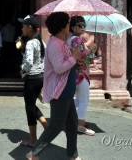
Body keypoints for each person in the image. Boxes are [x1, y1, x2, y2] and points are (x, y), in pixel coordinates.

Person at [26, 12, 82, 160]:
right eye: (68, 23)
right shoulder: (55, 45)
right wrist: (74, 58)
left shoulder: (60, 42)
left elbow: (66, 63)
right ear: (63, 26)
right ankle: (33, 153)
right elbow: (59, 67)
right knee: (57, 124)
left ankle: (73, 154)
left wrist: (76, 62)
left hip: (67, 89)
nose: (69, 25)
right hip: (60, 90)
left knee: (72, 123)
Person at [17, 15, 48, 148]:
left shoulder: (30, 43)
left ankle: (33, 140)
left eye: (23, 25)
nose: (22, 28)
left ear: (29, 27)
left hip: (31, 78)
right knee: (31, 105)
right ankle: (47, 128)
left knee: (29, 108)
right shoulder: (40, 41)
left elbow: (29, 62)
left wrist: (22, 69)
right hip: (40, 77)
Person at [67, 16, 97, 136]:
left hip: (73, 72)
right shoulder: (77, 40)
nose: (83, 27)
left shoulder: (69, 39)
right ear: (73, 26)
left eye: (84, 24)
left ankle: (70, 119)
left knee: (77, 99)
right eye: (80, 25)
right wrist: (92, 50)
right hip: (81, 73)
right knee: (84, 100)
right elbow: (82, 56)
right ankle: (80, 124)